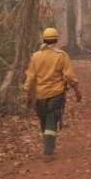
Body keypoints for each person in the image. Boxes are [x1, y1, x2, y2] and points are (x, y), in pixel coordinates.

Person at [23, 27, 82, 158]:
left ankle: (48, 148)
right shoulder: (61, 55)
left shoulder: (35, 56)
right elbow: (70, 76)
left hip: (40, 96)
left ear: (44, 39)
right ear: (56, 39)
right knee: (50, 121)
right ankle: (48, 150)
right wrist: (77, 91)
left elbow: (30, 78)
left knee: (45, 121)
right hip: (56, 94)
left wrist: (27, 95)